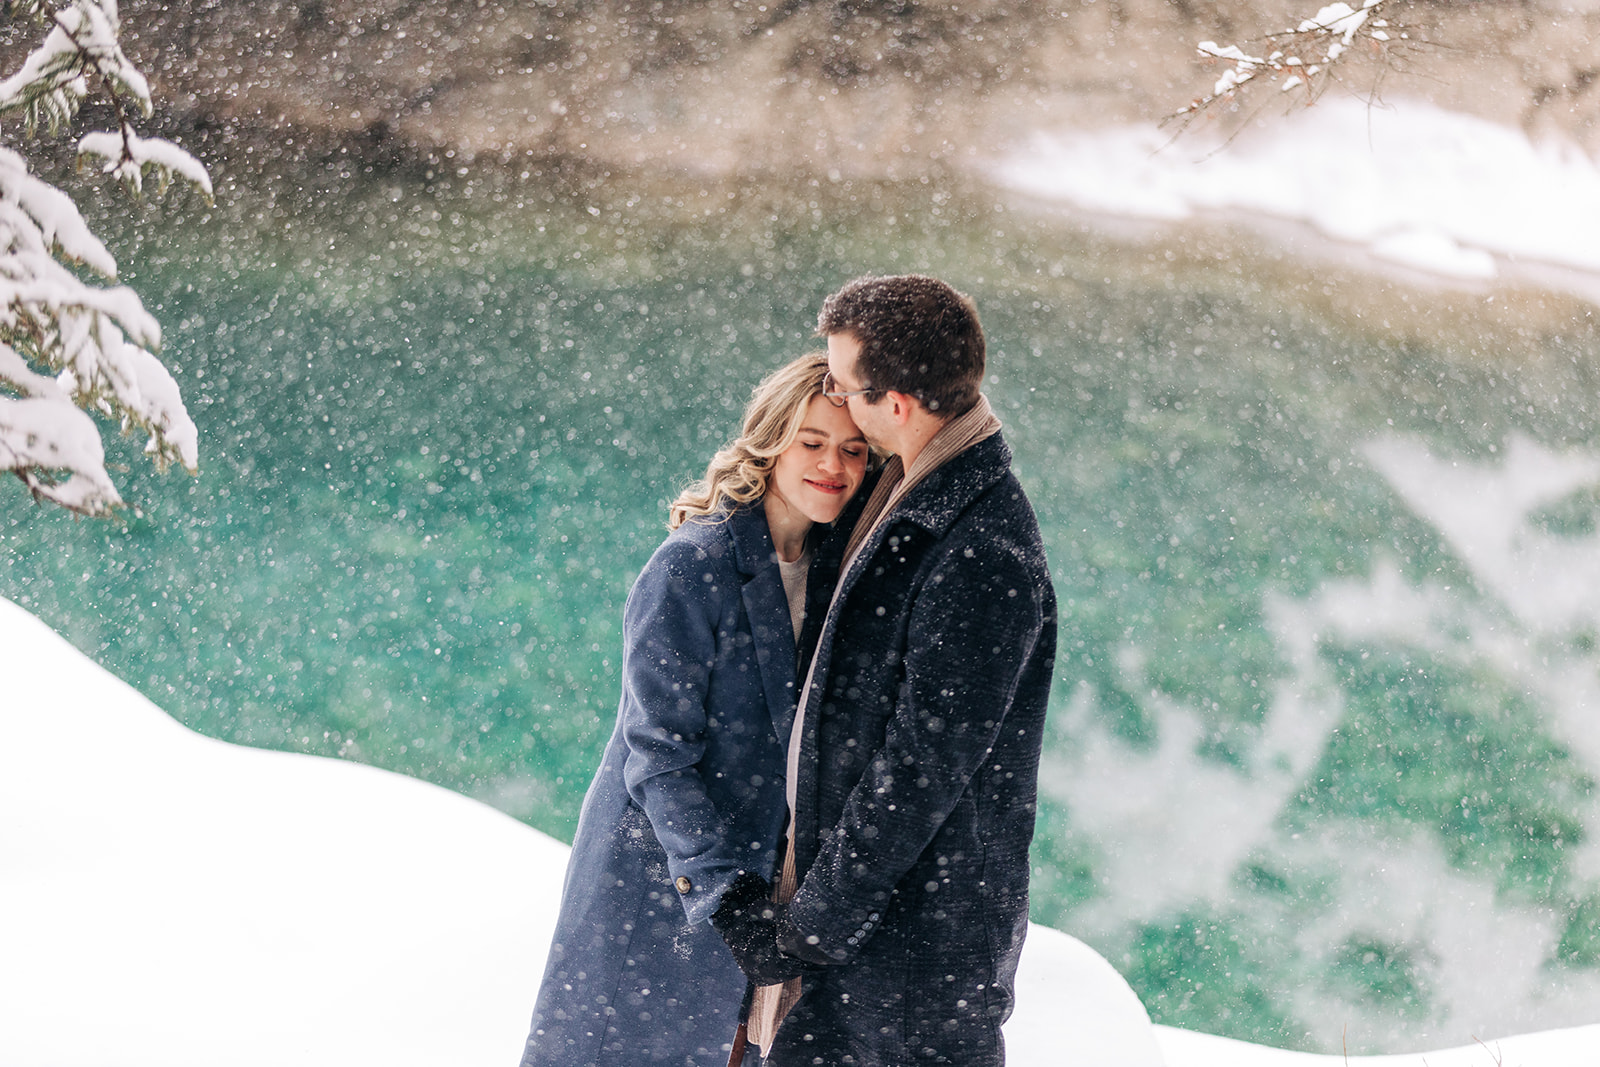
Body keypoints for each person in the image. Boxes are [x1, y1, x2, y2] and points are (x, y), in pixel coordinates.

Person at [713, 275, 1058, 1067]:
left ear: (896, 403)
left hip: (918, 958)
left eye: (840, 382)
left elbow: (925, 763)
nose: (831, 392)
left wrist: (807, 927)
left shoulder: (981, 547)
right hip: (871, 935)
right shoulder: (906, 484)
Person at [519, 353, 869, 1067]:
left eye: (853, 448)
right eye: (812, 442)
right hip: (655, 888)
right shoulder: (693, 563)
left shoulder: (837, 569)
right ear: (772, 440)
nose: (832, 463)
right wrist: (726, 893)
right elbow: (657, 753)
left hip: (759, 902)